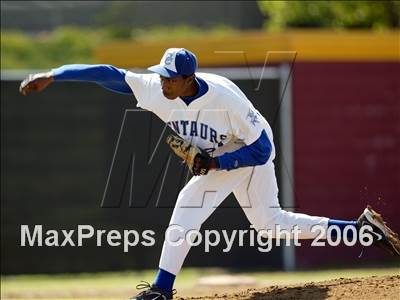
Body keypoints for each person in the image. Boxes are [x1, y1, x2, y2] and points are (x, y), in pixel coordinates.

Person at [19, 48, 400, 299]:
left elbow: (263, 149)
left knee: (188, 202)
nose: (163, 81)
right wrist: (55, 73)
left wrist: (218, 163)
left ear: (189, 78)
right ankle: (361, 229)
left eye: (171, 77)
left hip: (247, 148)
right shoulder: (157, 90)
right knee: (271, 224)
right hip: (225, 153)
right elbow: (108, 74)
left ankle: (161, 289)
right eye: (162, 75)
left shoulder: (225, 97)